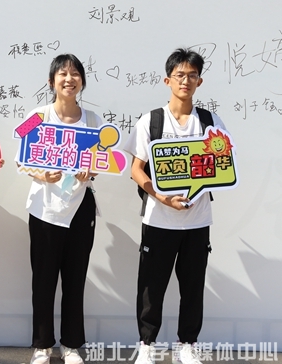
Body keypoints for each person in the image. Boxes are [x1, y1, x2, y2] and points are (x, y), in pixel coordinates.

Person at [122, 48, 227, 364]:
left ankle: (187, 345)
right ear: (167, 80)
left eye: (192, 75)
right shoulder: (152, 120)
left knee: (193, 287)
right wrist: (161, 197)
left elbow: (223, 164)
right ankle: (146, 345)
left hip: (197, 220)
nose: (186, 80)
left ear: (200, 81)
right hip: (158, 220)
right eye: (180, 75)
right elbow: (136, 169)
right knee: (151, 287)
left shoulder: (210, 122)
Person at [25, 54, 101, 364]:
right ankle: (42, 345)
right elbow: (21, 158)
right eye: (63, 74)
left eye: (75, 74)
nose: (69, 79)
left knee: (75, 279)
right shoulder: (37, 116)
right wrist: (40, 174)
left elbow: (102, 161)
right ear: (51, 81)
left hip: (80, 208)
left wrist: (91, 171)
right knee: (43, 280)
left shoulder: (93, 120)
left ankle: (71, 345)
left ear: (82, 81)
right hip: (45, 209)